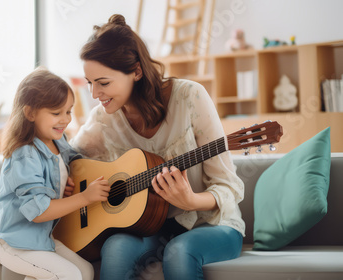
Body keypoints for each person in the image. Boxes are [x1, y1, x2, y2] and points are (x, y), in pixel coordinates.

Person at [70, 14, 245, 280]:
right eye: (90, 83)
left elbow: (229, 186)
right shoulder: (103, 120)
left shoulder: (190, 98)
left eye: (103, 83)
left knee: (179, 251)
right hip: (152, 227)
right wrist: (66, 181)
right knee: (115, 247)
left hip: (212, 224)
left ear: (137, 71)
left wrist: (191, 200)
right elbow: (69, 157)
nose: (95, 94)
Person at [0, 67, 110, 280]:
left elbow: (76, 163)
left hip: (41, 238)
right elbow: (39, 212)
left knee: (85, 271)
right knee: (69, 275)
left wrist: (66, 182)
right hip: (14, 242)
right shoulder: (24, 155)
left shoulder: (58, 143)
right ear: (30, 113)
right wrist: (85, 197)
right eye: (56, 113)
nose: (65, 119)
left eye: (68, 111)